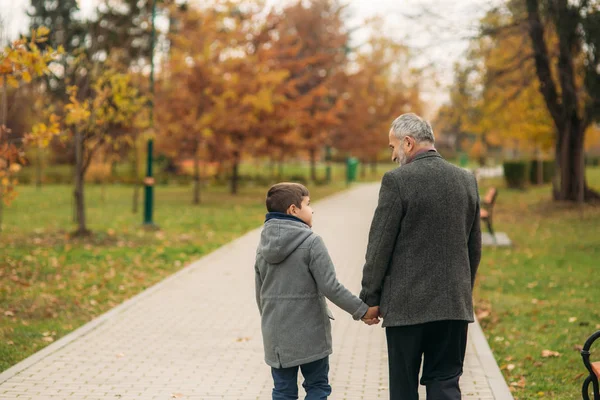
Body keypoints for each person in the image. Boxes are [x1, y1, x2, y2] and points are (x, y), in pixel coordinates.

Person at [359, 113, 482, 400]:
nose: (392, 156)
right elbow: (473, 249)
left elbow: (379, 247)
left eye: (392, 147)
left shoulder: (397, 181)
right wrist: (462, 291)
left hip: (406, 308)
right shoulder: (466, 180)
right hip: (453, 306)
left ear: (408, 143)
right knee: (445, 384)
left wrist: (370, 298)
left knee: (403, 388)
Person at [255, 182, 380, 400]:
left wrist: (270, 322)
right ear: (293, 210)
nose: (312, 210)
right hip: (310, 333)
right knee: (317, 387)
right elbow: (331, 286)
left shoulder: (262, 245)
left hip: (276, 335)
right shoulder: (311, 242)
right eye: (308, 204)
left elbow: (260, 293)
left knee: (283, 391)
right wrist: (363, 310)